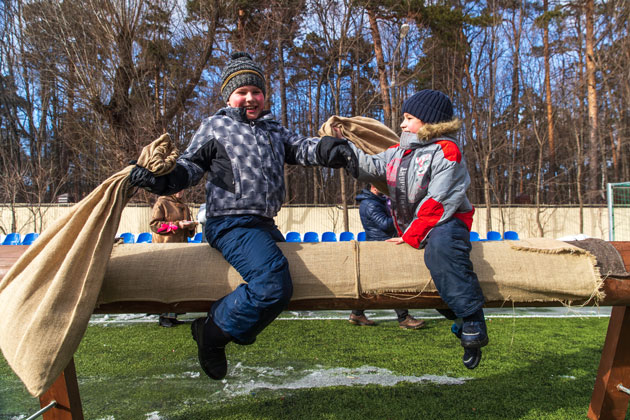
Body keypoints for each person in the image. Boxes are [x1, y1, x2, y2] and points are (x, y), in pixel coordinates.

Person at [129, 52, 356, 380]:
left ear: (264, 96)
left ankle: (224, 327)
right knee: (272, 283)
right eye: (242, 92)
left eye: (256, 91)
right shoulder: (216, 127)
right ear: (228, 96)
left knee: (291, 288)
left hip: (263, 224)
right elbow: (191, 166)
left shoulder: (273, 130)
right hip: (229, 222)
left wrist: (329, 149)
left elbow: (302, 148)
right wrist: (163, 180)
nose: (250, 97)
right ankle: (212, 332)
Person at [335, 89, 487, 370]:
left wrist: (410, 236)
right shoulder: (399, 151)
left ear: (429, 123)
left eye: (408, 118)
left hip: (446, 221)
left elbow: (439, 201)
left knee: (442, 251)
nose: (402, 125)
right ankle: (458, 318)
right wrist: (344, 153)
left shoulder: (447, 151)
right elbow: (373, 165)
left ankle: (474, 320)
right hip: (414, 226)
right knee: (437, 278)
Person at [350, 184, 425, 330]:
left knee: (375, 284)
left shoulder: (375, 201)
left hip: (379, 245)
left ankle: (357, 313)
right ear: (373, 187)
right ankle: (403, 318)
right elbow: (384, 224)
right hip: (380, 247)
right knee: (393, 283)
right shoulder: (371, 203)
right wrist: (402, 215)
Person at [149, 190, 197, 327]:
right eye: (178, 189)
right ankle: (163, 315)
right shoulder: (162, 203)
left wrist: (191, 226)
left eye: (183, 189)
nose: (181, 192)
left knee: (178, 281)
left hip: (181, 247)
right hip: (165, 247)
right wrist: (177, 225)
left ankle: (174, 313)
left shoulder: (184, 205)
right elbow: (155, 225)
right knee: (165, 281)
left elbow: (188, 230)